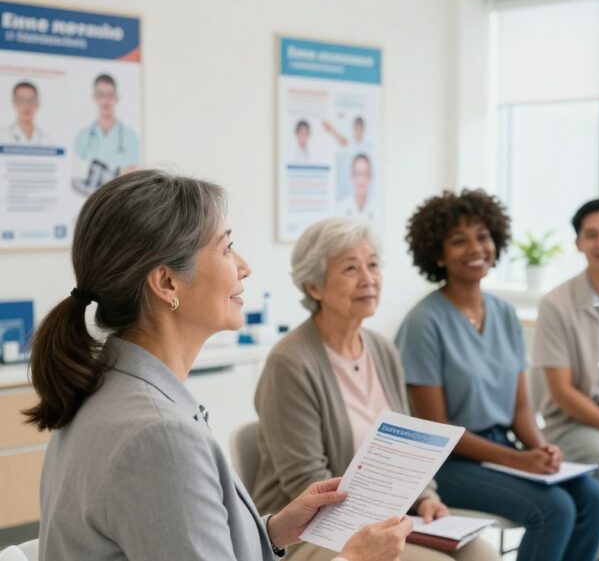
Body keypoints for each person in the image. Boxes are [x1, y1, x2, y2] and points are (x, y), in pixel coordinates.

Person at [26, 170, 411, 561]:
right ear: (167, 283)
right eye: (227, 249)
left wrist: (272, 531)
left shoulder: (112, 389)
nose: (244, 267)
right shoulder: (160, 434)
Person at [251, 217, 499, 561]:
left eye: (372, 265)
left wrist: (426, 497)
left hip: (382, 516)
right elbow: (305, 482)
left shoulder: (382, 349)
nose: (368, 279)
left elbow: (407, 448)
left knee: (482, 554)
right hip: (311, 532)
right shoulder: (290, 363)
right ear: (314, 287)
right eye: (351, 269)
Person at [396, 189, 599, 561]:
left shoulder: (505, 314)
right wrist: (517, 460)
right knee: (554, 509)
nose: (475, 248)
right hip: (445, 464)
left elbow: (521, 409)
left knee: (596, 499)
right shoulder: (423, 323)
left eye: (482, 236)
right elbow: (437, 429)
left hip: (500, 449)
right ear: (437, 253)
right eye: (458, 241)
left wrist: (539, 448)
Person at [531, 198, 599, 559]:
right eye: (592, 235)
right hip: (576, 422)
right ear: (578, 243)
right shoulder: (557, 303)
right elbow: (561, 393)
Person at [72, 73, 141, 195]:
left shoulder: (131, 138)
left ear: (116, 98)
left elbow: (134, 175)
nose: (105, 100)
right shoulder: (82, 136)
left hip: (119, 199)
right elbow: (76, 175)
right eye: (101, 95)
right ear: (94, 97)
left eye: (110, 95)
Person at [337, 154, 377, 222]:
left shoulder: (377, 208)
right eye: (357, 174)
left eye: (364, 174)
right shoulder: (341, 208)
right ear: (352, 177)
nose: (361, 180)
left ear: (370, 177)